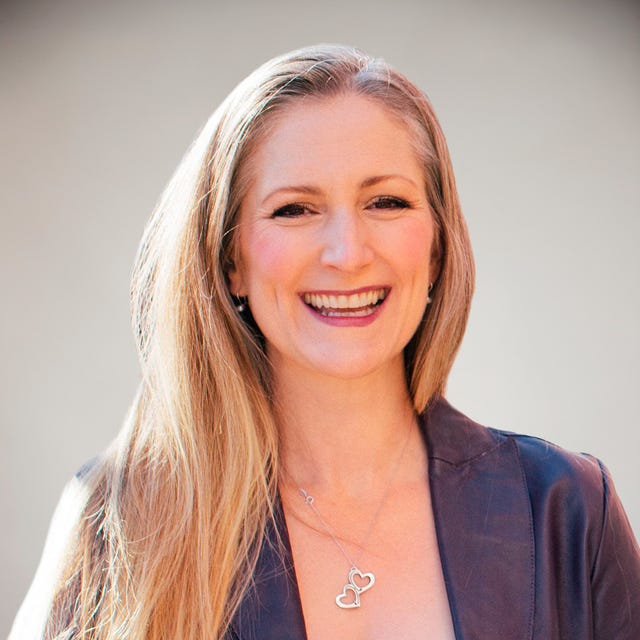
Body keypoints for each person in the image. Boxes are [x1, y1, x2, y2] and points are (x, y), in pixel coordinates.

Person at [11, 44, 640, 640]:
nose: (347, 254)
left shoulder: (566, 508)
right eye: (295, 210)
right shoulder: (121, 522)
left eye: (386, 202)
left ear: (438, 242)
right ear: (230, 260)